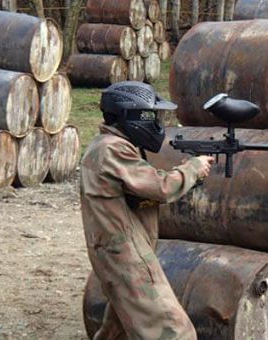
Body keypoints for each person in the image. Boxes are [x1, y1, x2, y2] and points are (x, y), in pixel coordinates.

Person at [80, 81, 215, 340]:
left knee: (117, 330)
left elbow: (141, 188)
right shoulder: (112, 149)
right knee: (175, 332)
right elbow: (160, 187)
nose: (155, 123)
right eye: (151, 116)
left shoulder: (106, 146)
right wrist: (193, 169)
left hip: (114, 253)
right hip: (127, 258)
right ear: (131, 115)